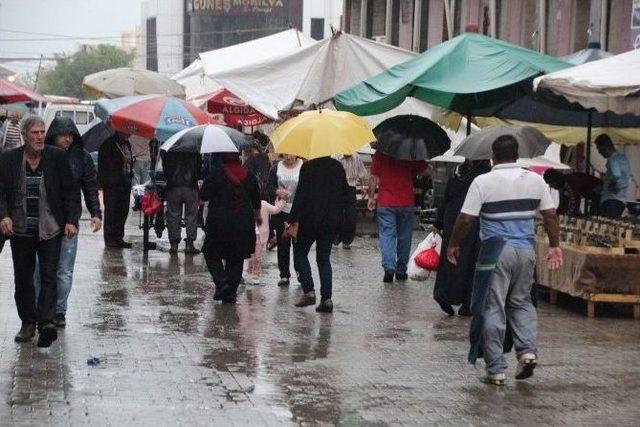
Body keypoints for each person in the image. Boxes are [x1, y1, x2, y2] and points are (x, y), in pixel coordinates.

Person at [446, 135, 563, 385]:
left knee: (493, 306)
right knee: (522, 302)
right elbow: (551, 215)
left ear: (492, 156)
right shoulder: (535, 180)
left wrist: (454, 243)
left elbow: (466, 219)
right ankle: (527, 351)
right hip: (526, 251)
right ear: (517, 154)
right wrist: (555, 246)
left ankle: (496, 368)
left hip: (495, 252)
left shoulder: (483, 182)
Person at [0, 115, 80, 347]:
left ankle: (46, 323)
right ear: (24, 135)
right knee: (23, 279)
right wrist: (4, 215)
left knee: (49, 276)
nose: (40, 137)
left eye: (42, 132)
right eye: (35, 133)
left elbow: (71, 191)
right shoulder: (9, 160)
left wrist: (71, 220)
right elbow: (2, 192)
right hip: (21, 230)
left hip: (50, 229)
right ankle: (27, 323)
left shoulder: (57, 157)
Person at [41, 117, 102, 327]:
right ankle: (41, 308)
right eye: (62, 135)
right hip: (45, 220)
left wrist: (96, 212)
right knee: (41, 268)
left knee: (64, 269)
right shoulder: (43, 154)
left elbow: (90, 186)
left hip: (70, 219)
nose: (66, 139)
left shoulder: (82, 158)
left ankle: (59, 310)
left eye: (70, 135)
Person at [289, 156, 349, 313]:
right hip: (330, 221)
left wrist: (291, 219)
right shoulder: (338, 167)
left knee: (300, 253)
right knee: (324, 259)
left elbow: (300, 196)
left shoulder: (308, 167)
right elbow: (345, 195)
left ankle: (309, 290)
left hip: (310, 219)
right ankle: (327, 300)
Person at [200, 152, 261, 304]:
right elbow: (257, 202)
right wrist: (257, 217)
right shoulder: (250, 175)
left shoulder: (216, 174)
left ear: (222, 158)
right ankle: (230, 294)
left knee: (211, 252)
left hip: (219, 222)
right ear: (239, 157)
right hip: (243, 222)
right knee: (236, 258)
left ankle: (222, 282)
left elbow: (204, 195)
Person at [433, 160, 491, 316]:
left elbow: (446, 197)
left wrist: (438, 222)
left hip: (452, 218)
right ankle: (467, 301)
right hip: (473, 219)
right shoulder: (485, 174)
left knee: (450, 257)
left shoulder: (456, 172)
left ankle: (443, 293)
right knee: (470, 261)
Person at [367, 152, 428, 283]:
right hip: (406, 201)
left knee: (387, 234)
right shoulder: (412, 150)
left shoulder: (381, 152)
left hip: (386, 201)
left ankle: (389, 267)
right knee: (405, 236)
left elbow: (373, 176)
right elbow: (425, 171)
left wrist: (371, 197)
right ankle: (401, 270)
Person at [267, 154, 303, 286]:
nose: (288, 156)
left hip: (298, 212)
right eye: (286, 153)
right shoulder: (276, 168)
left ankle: (301, 272)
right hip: (281, 211)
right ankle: (284, 275)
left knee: (298, 244)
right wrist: (277, 191)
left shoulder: (303, 167)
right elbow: (269, 186)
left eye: (291, 153)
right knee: (283, 244)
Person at [160, 150, 202, 254]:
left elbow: (165, 170)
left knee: (173, 215)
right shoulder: (194, 149)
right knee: (191, 215)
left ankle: (174, 245)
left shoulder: (169, 149)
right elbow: (199, 170)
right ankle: (189, 245)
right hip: (191, 186)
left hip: (173, 186)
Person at [98, 130, 134, 248]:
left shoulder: (126, 143)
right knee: (112, 211)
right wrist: (120, 161)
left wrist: (131, 163)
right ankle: (110, 239)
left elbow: (129, 160)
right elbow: (105, 164)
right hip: (112, 184)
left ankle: (119, 237)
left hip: (125, 182)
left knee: (123, 211)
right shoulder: (109, 144)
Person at [243, 198, 285, 285]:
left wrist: (282, 200)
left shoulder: (263, 204)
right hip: (247, 233)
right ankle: (243, 273)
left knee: (257, 256)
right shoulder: (245, 202)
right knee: (245, 255)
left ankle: (256, 275)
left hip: (260, 235)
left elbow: (275, 209)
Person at [336, 153, 368, 249]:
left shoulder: (356, 157)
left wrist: (363, 187)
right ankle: (337, 237)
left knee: (351, 216)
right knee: (338, 215)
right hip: (338, 188)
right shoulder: (336, 157)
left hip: (351, 188)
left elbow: (362, 173)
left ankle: (347, 240)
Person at [595, 134, 630, 219]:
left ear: (604, 147)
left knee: (605, 227)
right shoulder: (623, 158)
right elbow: (625, 179)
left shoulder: (612, 159)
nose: (599, 152)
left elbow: (616, 174)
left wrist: (613, 183)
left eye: (599, 148)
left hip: (610, 201)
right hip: (621, 200)